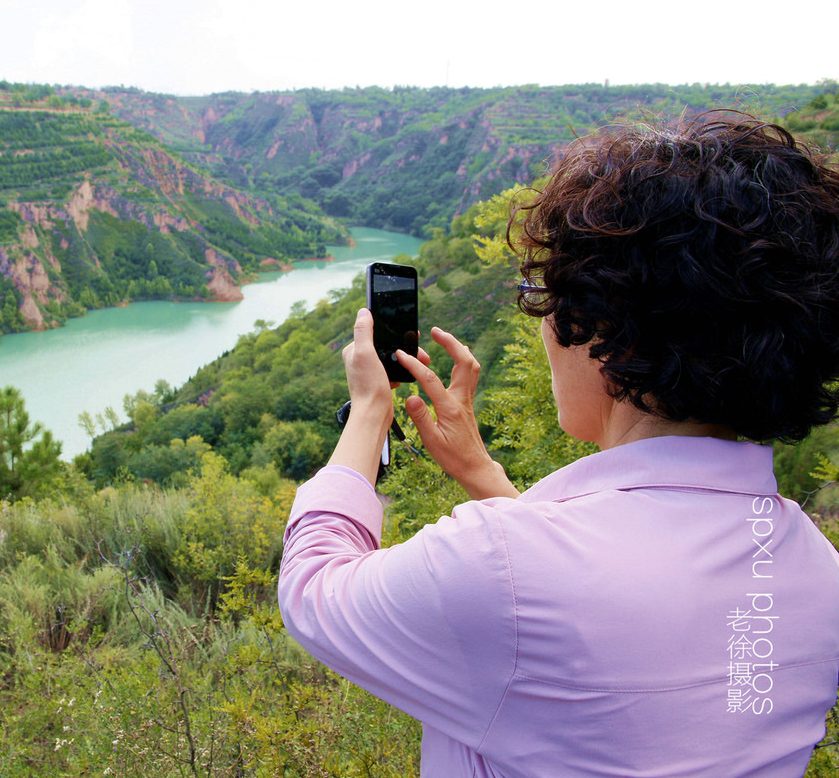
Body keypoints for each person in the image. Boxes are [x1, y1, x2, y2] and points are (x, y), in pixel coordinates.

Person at [278, 112, 839, 777]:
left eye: (544, 296)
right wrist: (482, 470)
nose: (543, 327)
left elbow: (313, 590)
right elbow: (608, 628)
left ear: (610, 336)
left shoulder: (498, 567)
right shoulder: (816, 574)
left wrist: (371, 410)